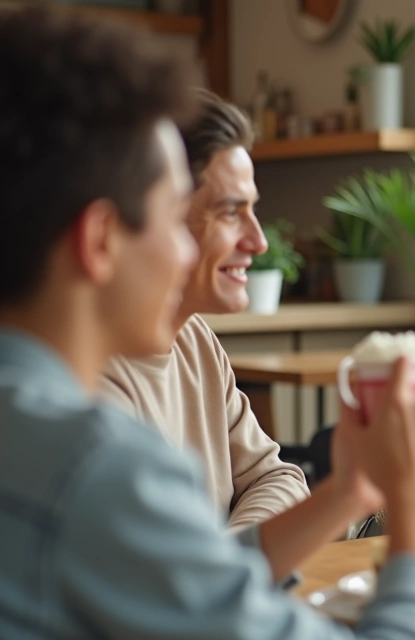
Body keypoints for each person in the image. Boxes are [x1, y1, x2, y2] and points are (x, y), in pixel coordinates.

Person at [0, 8, 415, 639]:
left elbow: (178, 578)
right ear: (100, 239)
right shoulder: (97, 467)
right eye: (171, 217)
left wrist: (350, 489)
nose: (189, 254)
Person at [99, 90, 315, 532]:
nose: (259, 242)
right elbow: (164, 575)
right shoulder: (89, 379)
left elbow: (278, 478)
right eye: (230, 213)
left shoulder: (195, 340)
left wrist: (228, 557)